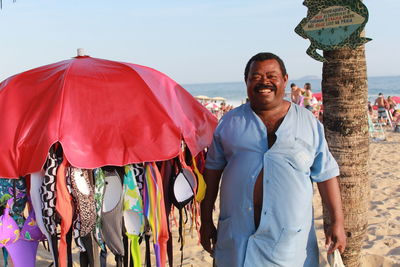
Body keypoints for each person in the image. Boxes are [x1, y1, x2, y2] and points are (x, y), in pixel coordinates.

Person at [200, 52, 346, 267]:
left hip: (290, 243)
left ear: (284, 79)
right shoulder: (229, 122)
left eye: (271, 76)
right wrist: (205, 222)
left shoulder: (308, 122)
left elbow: (326, 175)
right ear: (246, 81)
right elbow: (211, 174)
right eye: (256, 77)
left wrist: (338, 223)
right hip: (237, 238)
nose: (264, 82)